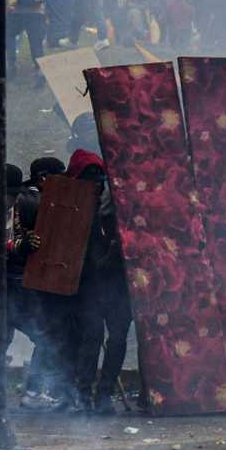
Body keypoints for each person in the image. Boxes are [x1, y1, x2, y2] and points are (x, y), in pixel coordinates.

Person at [66, 150, 131, 414]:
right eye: (90, 179)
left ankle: (103, 395)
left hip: (117, 284)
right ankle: (82, 395)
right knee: (91, 338)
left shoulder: (117, 203)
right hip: (90, 284)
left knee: (117, 339)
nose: (97, 184)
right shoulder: (71, 205)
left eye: (100, 178)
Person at [7, 157, 70, 411]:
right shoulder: (34, 201)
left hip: (13, 281)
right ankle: (33, 391)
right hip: (21, 281)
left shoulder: (21, 197)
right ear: (44, 178)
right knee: (48, 336)